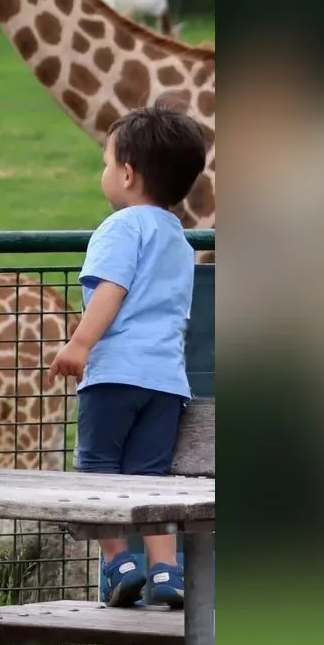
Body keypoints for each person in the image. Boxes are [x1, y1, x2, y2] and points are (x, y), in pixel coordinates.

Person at [48, 102, 209, 609]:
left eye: (105, 162)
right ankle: (166, 572)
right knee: (150, 480)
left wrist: (80, 344)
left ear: (127, 172)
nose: (104, 173)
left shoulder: (119, 228)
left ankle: (119, 565)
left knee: (97, 473)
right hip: (166, 381)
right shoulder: (178, 240)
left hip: (115, 373)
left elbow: (111, 291)